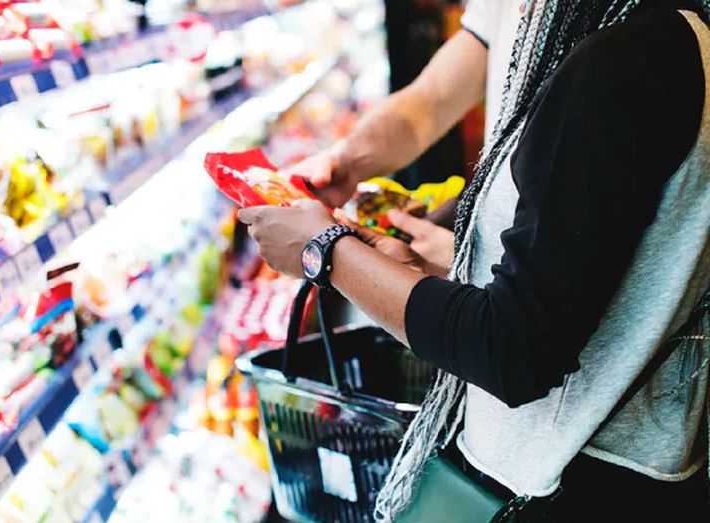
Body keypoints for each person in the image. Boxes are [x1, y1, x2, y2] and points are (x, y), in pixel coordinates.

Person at [240, 0, 710, 521]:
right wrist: (429, 270)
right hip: (638, 467)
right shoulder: (674, 36)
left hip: (564, 479)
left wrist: (326, 253)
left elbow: (513, 352)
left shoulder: (622, 65)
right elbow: (581, 281)